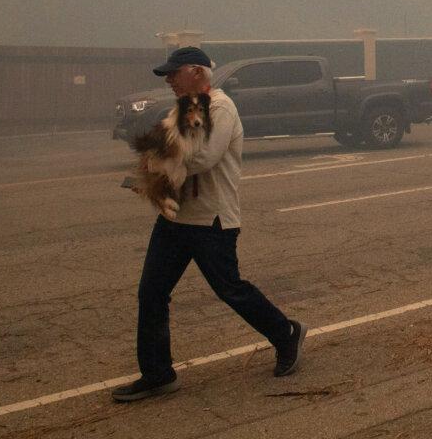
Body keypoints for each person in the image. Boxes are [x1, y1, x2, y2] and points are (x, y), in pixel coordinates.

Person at [112, 46, 306, 402]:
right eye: (167, 75)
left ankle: (286, 333)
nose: (169, 80)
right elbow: (169, 149)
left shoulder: (220, 107)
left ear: (197, 72)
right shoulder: (184, 109)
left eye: (174, 73)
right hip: (175, 218)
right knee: (151, 292)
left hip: (212, 219)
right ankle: (157, 374)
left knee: (230, 289)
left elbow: (203, 157)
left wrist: (160, 156)